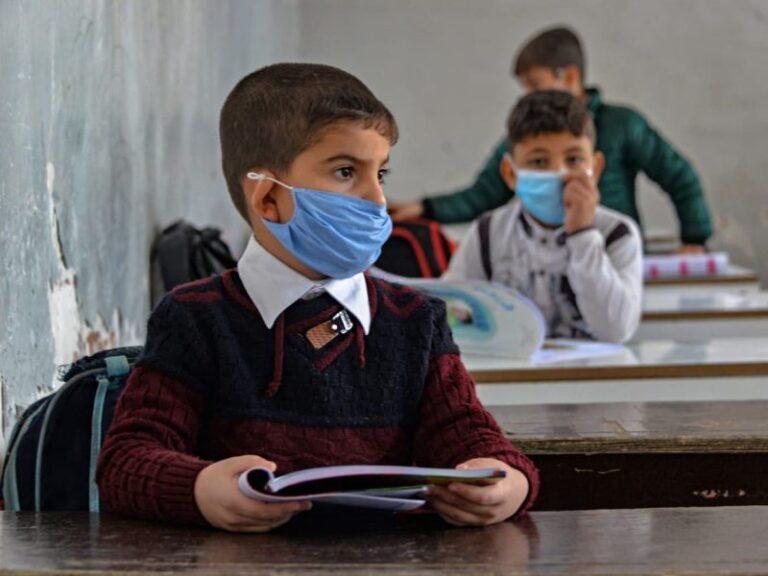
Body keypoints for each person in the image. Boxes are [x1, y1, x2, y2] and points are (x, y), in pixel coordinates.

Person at [96, 63, 539, 532]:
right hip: (243, 561)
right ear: (268, 199)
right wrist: (201, 489)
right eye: (346, 172)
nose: (377, 200)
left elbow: (472, 439)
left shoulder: (416, 320)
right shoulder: (195, 318)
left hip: (388, 560)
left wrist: (506, 485)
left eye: (381, 173)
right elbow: (125, 461)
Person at [389, 26, 712, 253]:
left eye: (534, 84)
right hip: (546, 260)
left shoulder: (623, 125)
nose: (528, 96)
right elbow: (484, 194)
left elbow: (680, 177)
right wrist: (427, 208)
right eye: (540, 160)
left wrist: (694, 239)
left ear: (569, 76)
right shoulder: (523, 137)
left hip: (613, 253)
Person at [443, 90, 642, 343]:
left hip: (595, 368)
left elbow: (616, 330)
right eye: (539, 162)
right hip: (511, 366)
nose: (559, 172)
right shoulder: (487, 233)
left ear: (596, 168)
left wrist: (582, 234)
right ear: (510, 173)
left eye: (574, 159)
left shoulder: (617, 233)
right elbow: (452, 308)